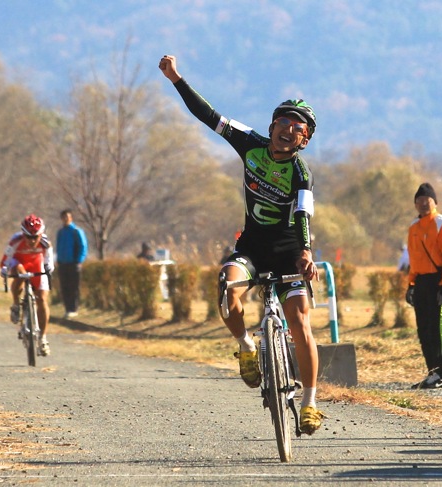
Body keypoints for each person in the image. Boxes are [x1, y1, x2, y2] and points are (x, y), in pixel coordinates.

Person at [159, 54, 324, 435]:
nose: (287, 130)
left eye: (296, 128)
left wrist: (306, 253)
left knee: (299, 321)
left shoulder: (301, 174)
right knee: (226, 286)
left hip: (289, 251)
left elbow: (302, 216)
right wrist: (176, 79)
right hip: (251, 246)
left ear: (305, 139)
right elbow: (209, 115)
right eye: (281, 123)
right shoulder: (250, 143)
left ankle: (311, 402)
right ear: (271, 126)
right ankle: (247, 347)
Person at [405, 183, 442, 389]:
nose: (423, 205)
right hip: (421, 282)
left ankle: (441, 373)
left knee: (438, 329)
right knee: (424, 329)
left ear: (435, 203)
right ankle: (431, 372)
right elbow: (414, 257)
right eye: (419, 201)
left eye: (427, 201)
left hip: (440, 281)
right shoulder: (413, 227)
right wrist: (411, 284)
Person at [0, 214, 55, 356]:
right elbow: (5, 261)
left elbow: (48, 260)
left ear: (41, 234)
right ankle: (16, 304)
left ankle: (43, 338)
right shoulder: (15, 241)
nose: (32, 241)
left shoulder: (45, 243)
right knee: (19, 272)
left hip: (37, 265)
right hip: (19, 263)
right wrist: (5, 271)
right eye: (28, 237)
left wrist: (49, 269)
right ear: (23, 234)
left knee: (42, 299)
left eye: (35, 237)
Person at [56, 209, 88, 318]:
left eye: (67, 217)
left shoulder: (76, 231)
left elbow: (83, 246)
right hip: (62, 264)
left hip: (73, 263)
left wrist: (78, 261)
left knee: (73, 287)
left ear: (71, 218)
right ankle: (67, 308)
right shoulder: (60, 232)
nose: (65, 219)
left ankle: (74, 309)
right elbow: (58, 246)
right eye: (63, 217)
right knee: (64, 287)